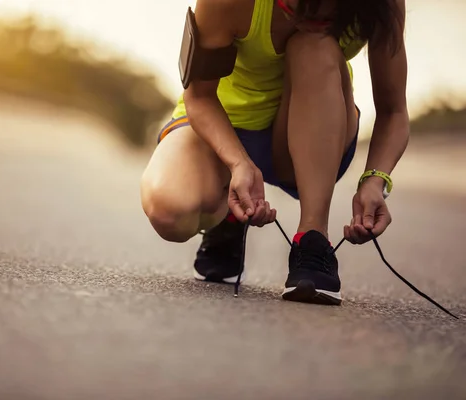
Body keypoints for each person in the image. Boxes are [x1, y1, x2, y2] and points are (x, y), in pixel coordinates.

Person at [140, 0, 409, 305]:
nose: (321, 12)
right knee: (169, 211)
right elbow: (199, 98)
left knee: (313, 46)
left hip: (316, 133)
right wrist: (238, 163)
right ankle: (228, 214)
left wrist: (375, 180)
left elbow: (394, 112)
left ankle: (312, 239)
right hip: (223, 127)